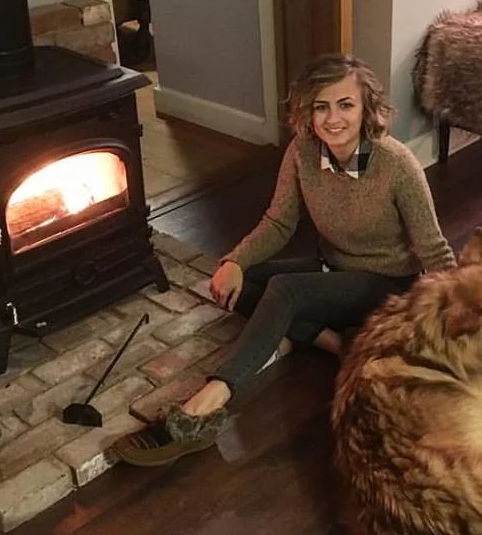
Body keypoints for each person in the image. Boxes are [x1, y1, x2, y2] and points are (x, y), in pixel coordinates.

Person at [114, 53, 456, 466]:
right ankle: (339, 344)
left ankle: (208, 401)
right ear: (307, 111)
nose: (333, 118)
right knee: (241, 283)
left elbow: (434, 249)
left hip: (387, 283)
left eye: (346, 104)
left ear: (367, 107)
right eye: (321, 106)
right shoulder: (302, 152)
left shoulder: (397, 164)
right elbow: (278, 222)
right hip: (334, 268)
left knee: (285, 290)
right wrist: (235, 261)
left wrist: (466, 317)